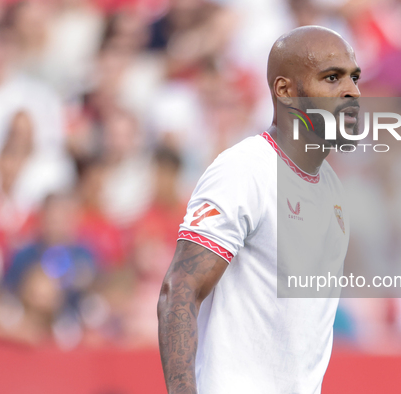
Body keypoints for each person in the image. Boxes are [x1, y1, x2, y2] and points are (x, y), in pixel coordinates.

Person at [158, 25, 361, 393]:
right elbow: (180, 290)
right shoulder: (245, 170)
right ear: (285, 90)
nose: (352, 91)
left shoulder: (332, 189)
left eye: (354, 77)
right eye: (332, 77)